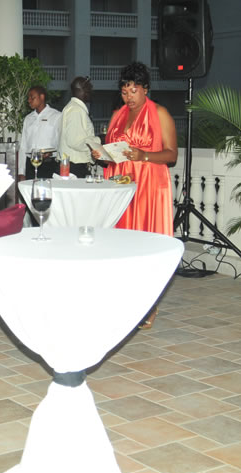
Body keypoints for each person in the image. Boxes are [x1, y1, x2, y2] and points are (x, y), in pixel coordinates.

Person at [93, 61, 177, 328]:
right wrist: (102, 155)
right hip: (120, 183)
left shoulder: (159, 113)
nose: (128, 96)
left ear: (146, 89)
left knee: (145, 242)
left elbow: (172, 155)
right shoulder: (118, 115)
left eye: (134, 90)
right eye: (124, 91)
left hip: (148, 185)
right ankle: (121, 300)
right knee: (119, 241)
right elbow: (112, 153)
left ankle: (148, 304)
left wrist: (145, 155)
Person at [17, 85, 61, 181]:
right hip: (31, 164)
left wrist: (52, 153)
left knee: (47, 193)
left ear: (42, 97)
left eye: (32, 97)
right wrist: (21, 172)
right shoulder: (28, 119)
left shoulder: (56, 116)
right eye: (28, 98)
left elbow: (61, 142)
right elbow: (23, 146)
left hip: (48, 164)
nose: (29, 100)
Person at [59, 76, 98, 178]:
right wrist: (98, 141)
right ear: (82, 90)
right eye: (89, 88)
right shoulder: (76, 110)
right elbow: (75, 142)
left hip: (73, 166)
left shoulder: (73, 108)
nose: (91, 91)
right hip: (76, 168)